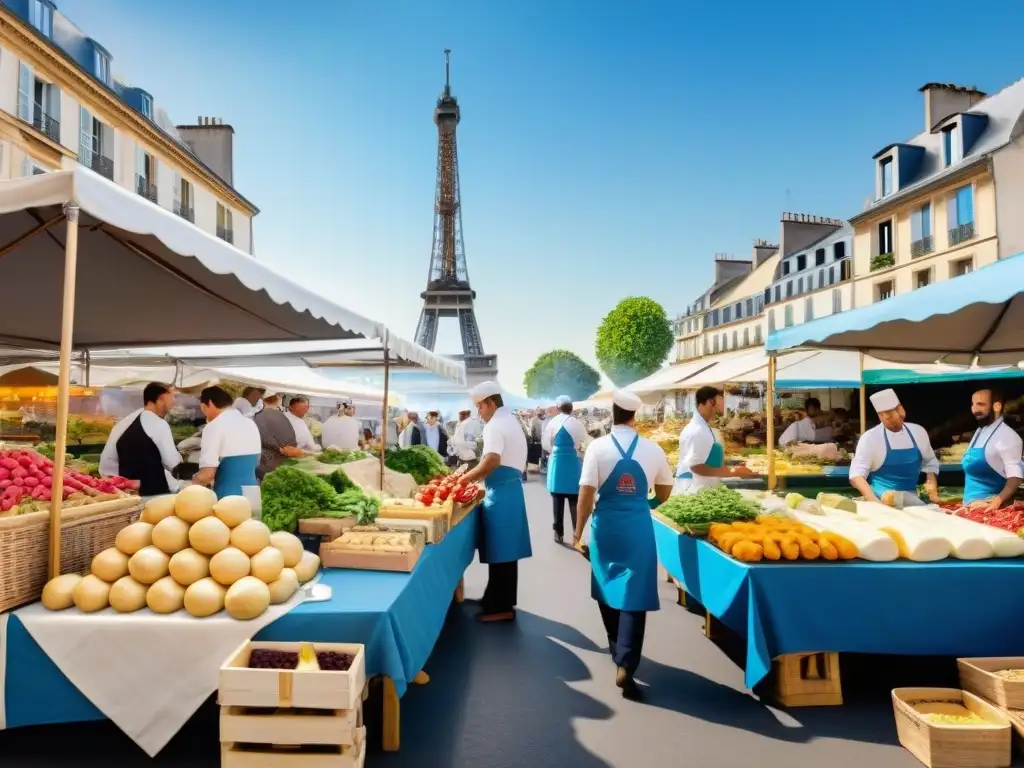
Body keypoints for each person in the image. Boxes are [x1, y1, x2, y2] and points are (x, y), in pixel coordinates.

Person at [574, 390, 673, 700]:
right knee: (635, 592)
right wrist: (647, 503)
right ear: (635, 416)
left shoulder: (597, 448)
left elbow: (586, 496)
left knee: (606, 586)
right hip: (638, 527)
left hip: (606, 527)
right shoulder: (652, 449)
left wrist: (578, 534)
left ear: (611, 414)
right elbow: (666, 489)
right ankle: (626, 664)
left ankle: (617, 647)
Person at [461, 381, 531, 622]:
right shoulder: (509, 420)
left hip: (500, 492)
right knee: (506, 551)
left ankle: (501, 607)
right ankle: (497, 599)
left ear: (490, 403)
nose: (479, 412)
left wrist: (464, 479)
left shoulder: (494, 425)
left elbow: (491, 461)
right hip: (509, 489)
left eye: (479, 406)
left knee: (501, 550)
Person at [849, 388, 941, 504]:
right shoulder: (870, 438)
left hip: (911, 496)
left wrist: (931, 485)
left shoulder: (918, 432)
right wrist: (874, 501)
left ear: (902, 410)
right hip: (882, 497)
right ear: (880, 416)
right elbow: (856, 475)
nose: (894, 421)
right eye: (888, 419)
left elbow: (930, 462)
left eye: (898, 416)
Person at [99, 382, 182, 498]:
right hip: (155, 494)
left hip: (129, 496)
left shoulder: (124, 423)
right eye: (173, 395)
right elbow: (172, 462)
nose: (174, 401)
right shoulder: (159, 424)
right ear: (161, 398)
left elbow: (106, 461)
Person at [674, 386, 753, 494]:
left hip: (705, 489)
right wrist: (734, 471)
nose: (719, 411)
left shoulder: (705, 428)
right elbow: (696, 467)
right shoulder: (697, 431)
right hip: (694, 491)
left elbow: (710, 461)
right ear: (710, 402)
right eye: (719, 405)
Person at [192, 386, 262, 498]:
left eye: (203, 408)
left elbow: (207, 474)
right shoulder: (250, 423)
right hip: (252, 493)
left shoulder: (214, 426)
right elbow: (257, 461)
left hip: (228, 495)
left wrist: (191, 484)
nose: (204, 414)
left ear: (209, 403)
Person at [961, 388, 1023, 508]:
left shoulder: (1007, 436)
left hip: (989, 510)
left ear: (997, 406)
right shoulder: (980, 431)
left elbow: (1015, 477)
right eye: (973, 404)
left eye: (980, 404)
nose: (974, 409)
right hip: (970, 507)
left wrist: (996, 502)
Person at [543, 395, 588, 544]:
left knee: (557, 499)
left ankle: (558, 532)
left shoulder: (552, 422)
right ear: (571, 408)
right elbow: (584, 441)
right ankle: (577, 534)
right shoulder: (577, 423)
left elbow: (546, 444)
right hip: (573, 463)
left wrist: (555, 452)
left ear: (558, 408)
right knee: (575, 500)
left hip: (557, 463)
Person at [253, 394, 303, 479]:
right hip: (283, 464)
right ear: (278, 402)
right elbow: (292, 438)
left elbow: (263, 436)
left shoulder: (259, 415)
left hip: (267, 465)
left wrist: (279, 449)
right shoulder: (282, 416)